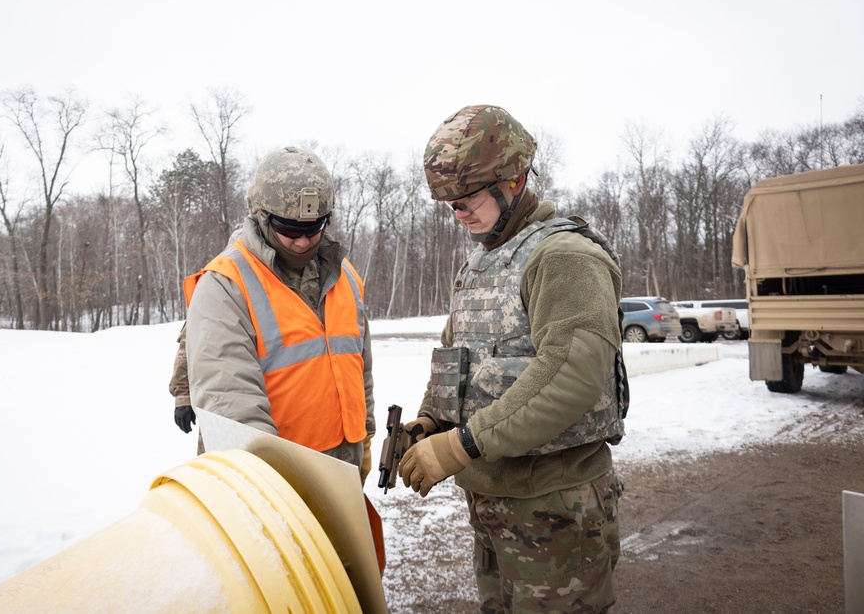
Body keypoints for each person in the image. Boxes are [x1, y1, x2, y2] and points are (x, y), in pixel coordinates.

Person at [398, 105, 628, 613]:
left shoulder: (564, 256)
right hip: (493, 501)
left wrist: (460, 445)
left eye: (469, 200)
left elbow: (570, 374)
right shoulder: (483, 259)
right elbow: (456, 357)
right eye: (451, 206)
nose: (461, 216)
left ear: (515, 178)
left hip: (554, 503)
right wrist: (432, 420)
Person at [182, 146, 375, 484]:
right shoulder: (225, 284)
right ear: (260, 216)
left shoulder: (346, 276)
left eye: (314, 228)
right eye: (289, 229)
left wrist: (365, 435)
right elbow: (232, 404)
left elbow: (360, 369)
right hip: (273, 485)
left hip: (341, 475)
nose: (302, 242)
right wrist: (272, 489)